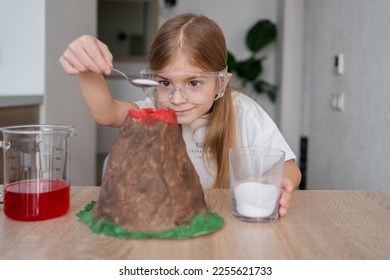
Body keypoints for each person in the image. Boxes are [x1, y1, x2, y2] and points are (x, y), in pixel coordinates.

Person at [59, 13, 301, 217]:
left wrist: (272, 181)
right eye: (165, 82)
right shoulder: (155, 110)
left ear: (220, 83)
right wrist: (87, 70)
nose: (176, 99)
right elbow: (107, 113)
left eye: (194, 83)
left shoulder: (244, 112)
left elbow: (291, 170)